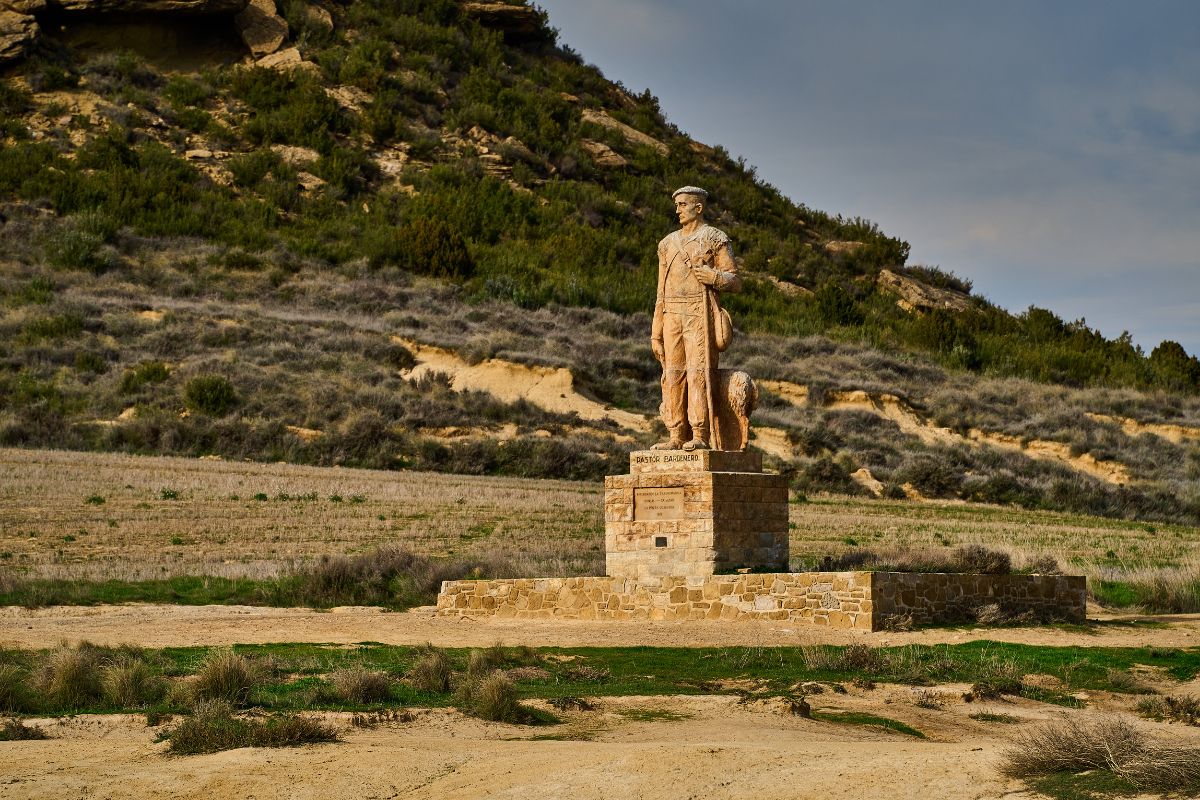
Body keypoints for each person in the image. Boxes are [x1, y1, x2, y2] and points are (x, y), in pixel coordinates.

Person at [650, 186, 741, 451]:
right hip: (671, 314)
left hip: (698, 313)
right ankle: (676, 434)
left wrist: (714, 277)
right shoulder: (666, 244)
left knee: (698, 372)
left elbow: (735, 280)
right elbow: (660, 291)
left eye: (682, 204)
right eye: (677, 204)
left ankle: (700, 433)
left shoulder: (714, 237)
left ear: (698, 208)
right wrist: (656, 331)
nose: (677, 209)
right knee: (672, 372)